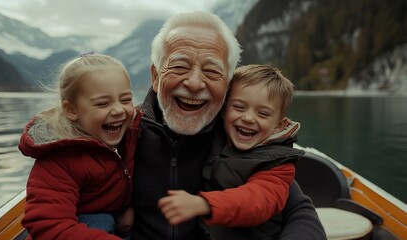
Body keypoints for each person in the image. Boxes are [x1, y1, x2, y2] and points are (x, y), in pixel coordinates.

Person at [131, 11, 326, 240]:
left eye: (212, 71)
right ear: (155, 76)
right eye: (180, 66)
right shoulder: (124, 131)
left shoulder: (241, 140)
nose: (194, 83)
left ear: (227, 84)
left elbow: (297, 210)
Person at [158, 64, 305, 239]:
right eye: (239, 107)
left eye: (263, 114)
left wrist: (204, 204)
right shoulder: (213, 136)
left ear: (278, 125)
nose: (248, 118)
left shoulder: (279, 164)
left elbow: (258, 201)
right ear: (224, 109)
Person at [18, 53, 141, 240]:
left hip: (116, 218)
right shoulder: (59, 159)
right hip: (78, 230)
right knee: (99, 221)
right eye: (103, 103)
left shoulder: (131, 136)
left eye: (125, 100)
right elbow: (48, 225)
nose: (118, 110)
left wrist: (131, 207)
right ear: (71, 110)